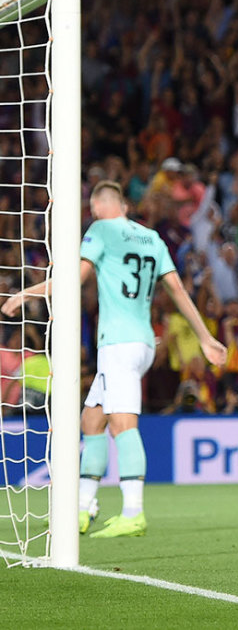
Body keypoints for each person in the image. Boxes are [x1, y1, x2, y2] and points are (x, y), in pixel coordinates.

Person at [1, 181, 226, 538]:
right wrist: (205, 337)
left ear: (98, 207)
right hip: (143, 342)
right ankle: (82, 509)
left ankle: (133, 512)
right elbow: (177, 289)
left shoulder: (101, 229)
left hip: (119, 344)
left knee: (123, 425)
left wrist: (27, 294)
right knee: (92, 421)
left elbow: (74, 280)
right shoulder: (152, 238)